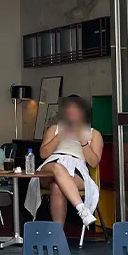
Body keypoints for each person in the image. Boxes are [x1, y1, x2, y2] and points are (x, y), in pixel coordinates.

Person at [25, 95, 103, 227]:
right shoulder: (54, 129)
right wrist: (60, 136)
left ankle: (58, 233)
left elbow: (94, 162)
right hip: (52, 165)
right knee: (57, 168)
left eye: (76, 111)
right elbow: (43, 154)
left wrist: (83, 142)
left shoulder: (93, 133)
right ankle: (81, 210)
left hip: (77, 169)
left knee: (57, 186)